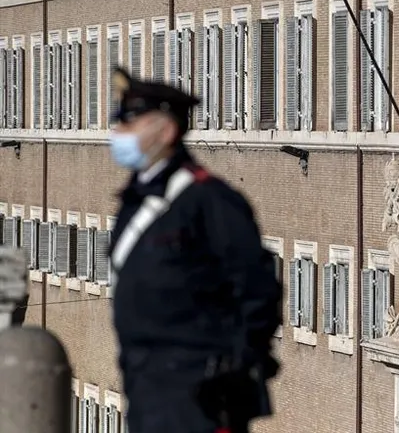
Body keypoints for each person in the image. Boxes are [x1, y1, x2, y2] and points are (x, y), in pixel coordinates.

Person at [106, 68, 282, 433]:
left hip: (200, 394)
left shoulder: (209, 200)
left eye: (129, 123)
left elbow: (257, 288)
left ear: (166, 131)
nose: (117, 132)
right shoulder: (135, 201)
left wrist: (234, 366)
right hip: (147, 386)